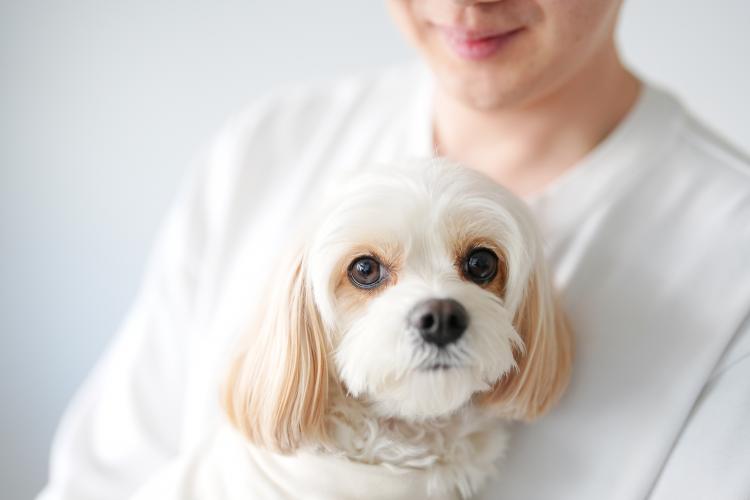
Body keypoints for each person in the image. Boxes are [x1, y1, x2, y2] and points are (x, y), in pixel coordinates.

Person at [39, 1, 750, 499]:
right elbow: (95, 481)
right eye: (367, 272)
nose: (467, 4)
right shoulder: (261, 146)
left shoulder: (730, 251)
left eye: (480, 267)